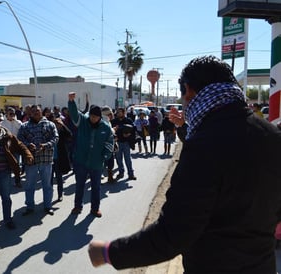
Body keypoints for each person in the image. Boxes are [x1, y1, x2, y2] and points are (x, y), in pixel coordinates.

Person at [88, 55, 281, 273]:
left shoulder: (204, 145)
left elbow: (172, 234)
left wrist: (109, 252)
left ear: (188, 90)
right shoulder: (272, 135)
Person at [68, 93, 114, 218]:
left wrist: (105, 156)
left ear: (100, 117)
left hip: (96, 163)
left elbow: (110, 143)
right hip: (81, 161)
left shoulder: (105, 128)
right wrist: (71, 102)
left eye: (96, 117)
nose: (93, 119)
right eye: (92, 116)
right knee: (80, 186)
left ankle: (95, 209)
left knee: (96, 187)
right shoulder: (83, 121)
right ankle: (78, 206)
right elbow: (74, 115)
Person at [17, 104, 59, 216]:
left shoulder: (50, 124)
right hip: (31, 161)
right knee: (30, 186)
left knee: (47, 186)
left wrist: (46, 145)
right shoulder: (25, 126)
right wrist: (27, 145)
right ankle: (30, 206)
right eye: (34, 111)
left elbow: (55, 138)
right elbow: (19, 141)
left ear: (42, 112)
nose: (36, 112)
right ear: (30, 113)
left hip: (46, 160)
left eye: (38, 111)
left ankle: (48, 206)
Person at [111, 107, 136, 181]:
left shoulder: (128, 120)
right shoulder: (114, 121)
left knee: (127, 159)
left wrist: (129, 134)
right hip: (117, 142)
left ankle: (131, 174)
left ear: (123, 112)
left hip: (126, 143)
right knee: (119, 159)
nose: (118, 113)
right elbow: (110, 130)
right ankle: (121, 172)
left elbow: (133, 129)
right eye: (117, 112)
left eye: (119, 112)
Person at [51, 117, 72, 202]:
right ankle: (49, 195)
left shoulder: (62, 132)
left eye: (58, 125)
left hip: (59, 158)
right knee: (50, 179)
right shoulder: (50, 132)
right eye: (56, 124)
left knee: (59, 178)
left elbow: (70, 135)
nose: (57, 126)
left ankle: (60, 194)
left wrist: (63, 126)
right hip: (50, 159)